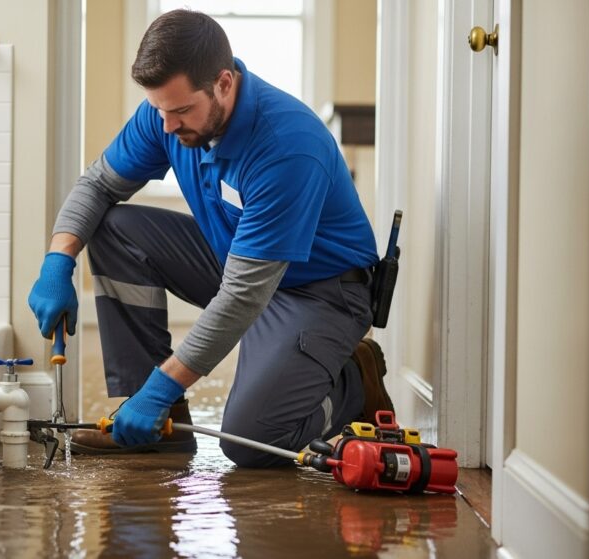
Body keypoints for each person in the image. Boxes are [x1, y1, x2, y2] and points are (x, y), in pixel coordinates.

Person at [28, 9, 392, 467]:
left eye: (180, 110)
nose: (167, 127)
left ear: (224, 82)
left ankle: (352, 383)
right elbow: (98, 185)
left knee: (251, 440)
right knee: (115, 229)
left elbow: (242, 295)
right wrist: (58, 261)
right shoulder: (165, 115)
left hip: (320, 292)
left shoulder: (287, 146)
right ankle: (162, 426)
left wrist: (167, 383)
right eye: (159, 109)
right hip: (236, 260)